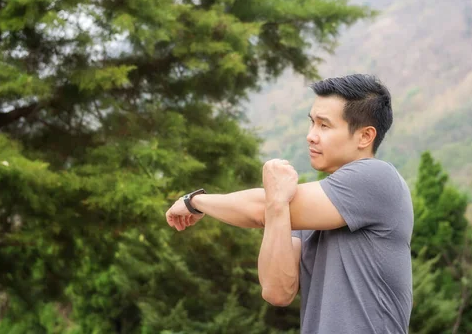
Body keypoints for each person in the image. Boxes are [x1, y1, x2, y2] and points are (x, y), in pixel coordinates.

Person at [165, 74, 414, 334]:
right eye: (312, 123)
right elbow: (276, 291)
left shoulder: (377, 178)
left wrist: (195, 201)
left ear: (365, 136)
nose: (311, 136)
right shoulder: (313, 211)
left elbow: (257, 208)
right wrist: (277, 205)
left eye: (324, 126)